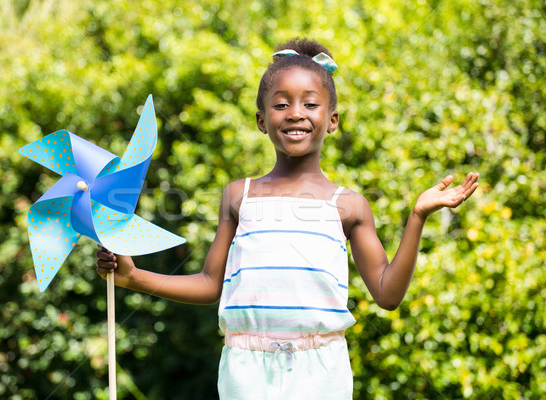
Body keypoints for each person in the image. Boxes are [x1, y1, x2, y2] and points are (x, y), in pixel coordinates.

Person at [96, 37, 479, 399]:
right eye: (281, 104)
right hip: (245, 369)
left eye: (310, 104)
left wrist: (417, 216)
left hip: (322, 369)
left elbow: (387, 294)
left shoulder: (350, 205)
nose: (296, 113)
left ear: (332, 120)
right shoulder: (238, 195)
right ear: (262, 120)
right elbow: (211, 284)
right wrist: (132, 277)